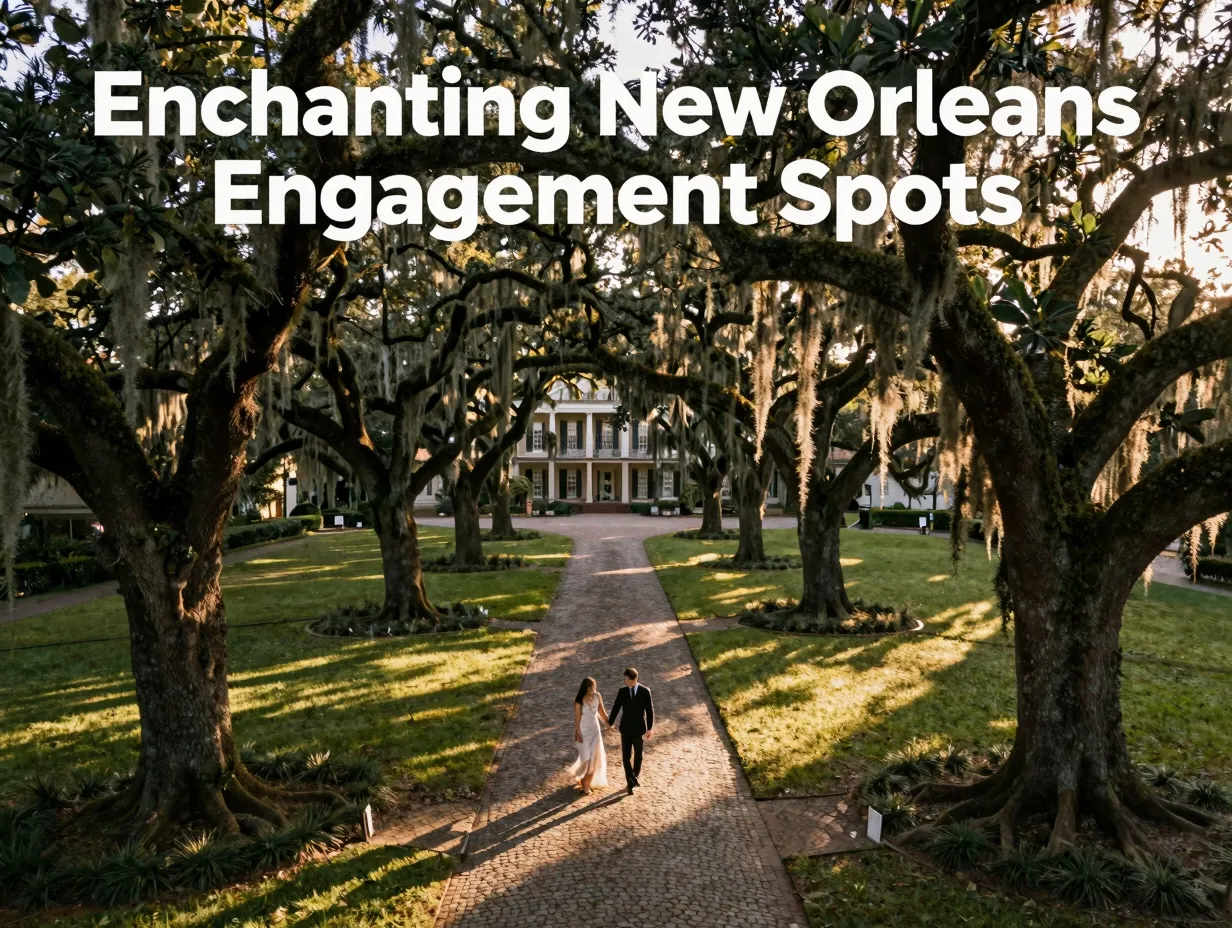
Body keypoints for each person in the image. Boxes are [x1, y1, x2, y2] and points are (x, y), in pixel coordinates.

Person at [605, 667, 654, 795]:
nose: (624, 680)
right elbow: (616, 708)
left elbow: (649, 711)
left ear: (633, 679)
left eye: (625, 678)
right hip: (625, 730)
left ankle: (634, 776)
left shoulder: (645, 691)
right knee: (626, 757)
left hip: (638, 730)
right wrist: (609, 723)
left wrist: (650, 728)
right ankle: (630, 782)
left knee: (638, 756)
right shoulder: (622, 691)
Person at [568, 677, 608, 794]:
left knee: (594, 759)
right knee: (587, 759)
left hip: (595, 731)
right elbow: (577, 719)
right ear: (587, 687)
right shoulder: (579, 701)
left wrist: (609, 723)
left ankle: (586, 786)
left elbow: (602, 711)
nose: (594, 689)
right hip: (584, 732)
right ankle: (583, 779)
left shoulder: (597, 696)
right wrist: (578, 732)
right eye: (592, 686)